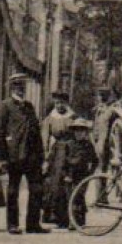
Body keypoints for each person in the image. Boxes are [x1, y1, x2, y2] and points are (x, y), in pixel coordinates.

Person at [0, 73, 46, 234]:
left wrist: (41, 155)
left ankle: (33, 224)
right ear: (12, 87)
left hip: (32, 156)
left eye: (22, 87)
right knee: (13, 190)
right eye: (17, 86)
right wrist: (3, 158)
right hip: (14, 156)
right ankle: (12, 224)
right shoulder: (5, 106)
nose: (20, 89)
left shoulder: (29, 107)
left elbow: (36, 132)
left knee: (37, 190)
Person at [40, 90, 80, 228]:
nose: (59, 106)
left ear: (66, 103)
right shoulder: (50, 119)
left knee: (70, 183)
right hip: (56, 153)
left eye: (62, 103)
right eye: (57, 103)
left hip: (71, 150)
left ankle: (73, 218)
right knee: (55, 184)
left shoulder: (73, 117)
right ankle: (56, 216)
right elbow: (45, 137)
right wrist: (45, 156)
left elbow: (80, 134)